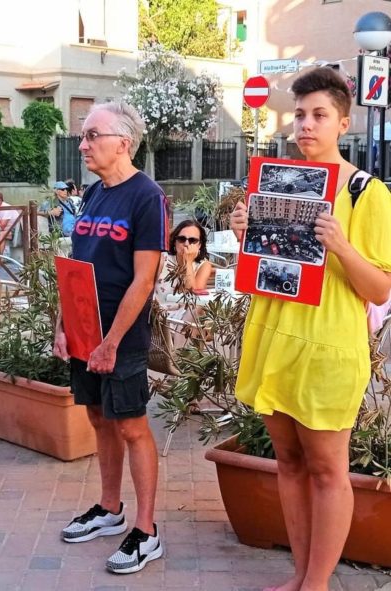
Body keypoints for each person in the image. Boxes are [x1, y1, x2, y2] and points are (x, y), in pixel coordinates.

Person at [230, 68, 391, 591]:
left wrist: (341, 246)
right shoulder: (278, 183)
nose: (306, 125)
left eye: (319, 115)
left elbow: (380, 290)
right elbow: (266, 273)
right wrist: (246, 235)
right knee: (289, 463)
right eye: (299, 114)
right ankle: (301, 576)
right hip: (274, 334)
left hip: (328, 347)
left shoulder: (369, 193)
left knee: (327, 470)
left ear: (344, 122)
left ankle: (318, 584)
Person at [53, 101, 169, 574]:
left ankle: (146, 531)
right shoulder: (96, 193)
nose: (83, 144)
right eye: (83, 136)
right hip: (84, 329)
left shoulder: (148, 197)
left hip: (121, 336)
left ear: (122, 142)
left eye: (91, 135)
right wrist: (64, 325)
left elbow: (144, 280)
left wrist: (112, 341)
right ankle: (108, 508)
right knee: (99, 418)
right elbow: (78, 266)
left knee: (131, 426)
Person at [155, 219, 213, 307]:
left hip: (186, 315)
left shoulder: (203, 266)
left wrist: (188, 262)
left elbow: (194, 297)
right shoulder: (163, 259)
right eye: (181, 239)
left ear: (199, 245)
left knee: (199, 308)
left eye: (192, 240)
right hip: (159, 313)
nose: (186, 244)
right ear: (175, 242)